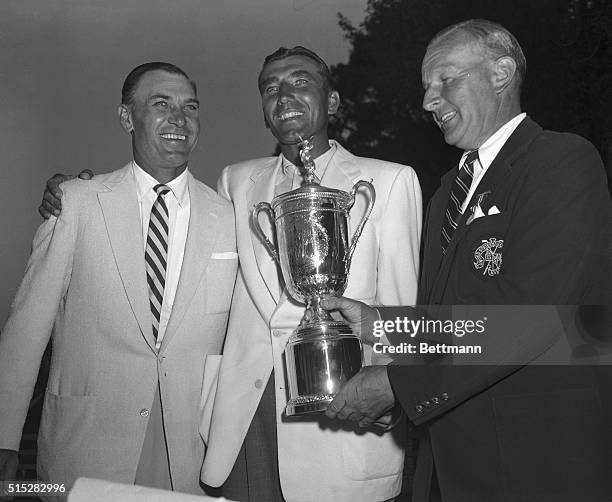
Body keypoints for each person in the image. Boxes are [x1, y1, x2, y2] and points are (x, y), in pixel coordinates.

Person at [39, 47, 423, 502]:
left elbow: (404, 317)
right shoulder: (236, 183)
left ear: (333, 102)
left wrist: (387, 395)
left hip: (343, 423)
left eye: (301, 82)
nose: (284, 95)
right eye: (270, 88)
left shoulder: (391, 182)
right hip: (244, 426)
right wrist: (83, 191)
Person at [321, 19, 612, 502]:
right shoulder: (445, 195)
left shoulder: (560, 162)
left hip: (538, 465)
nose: (428, 101)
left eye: (445, 80)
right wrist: (384, 326)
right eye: (425, 87)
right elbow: (454, 317)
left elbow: (527, 317)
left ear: (501, 73)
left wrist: (397, 383)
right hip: (450, 468)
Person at [0, 62, 237, 496]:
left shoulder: (231, 217)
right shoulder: (76, 203)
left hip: (192, 453)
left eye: (190, 106)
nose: (178, 119)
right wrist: (4, 438)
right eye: (160, 104)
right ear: (127, 117)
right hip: (86, 446)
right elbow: (26, 330)